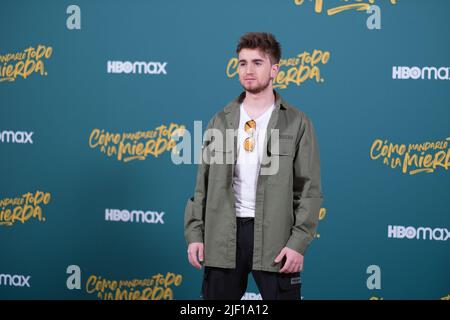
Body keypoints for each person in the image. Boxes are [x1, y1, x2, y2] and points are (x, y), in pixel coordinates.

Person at [184, 32, 323, 300]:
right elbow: (202, 185)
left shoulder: (297, 123)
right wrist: (195, 234)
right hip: (223, 236)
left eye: (257, 63)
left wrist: (297, 244)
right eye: (242, 63)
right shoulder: (220, 121)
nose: (248, 70)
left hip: (276, 239)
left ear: (274, 70)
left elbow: (308, 190)